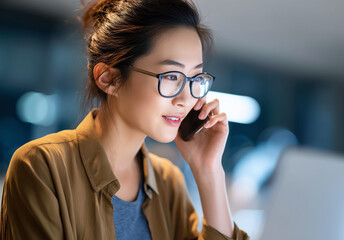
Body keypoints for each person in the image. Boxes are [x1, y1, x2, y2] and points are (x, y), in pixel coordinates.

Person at [0, 0, 250, 239]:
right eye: (172, 76)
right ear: (109, 79)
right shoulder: (42, 166)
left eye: (195, 79)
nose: (186, 99)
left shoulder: (168, 183)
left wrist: (209, 171)